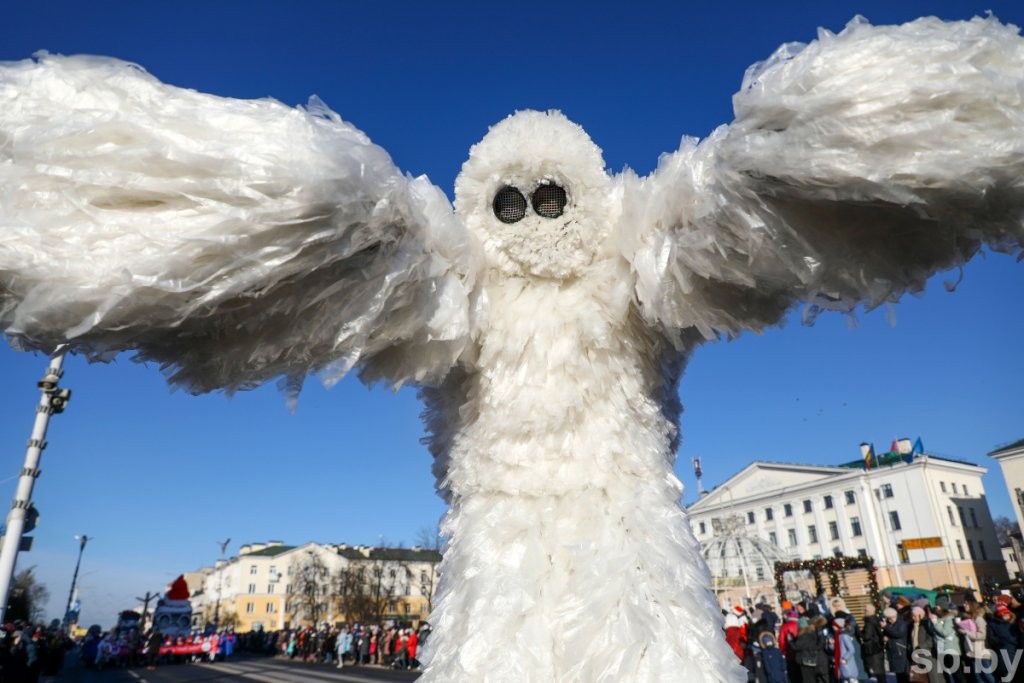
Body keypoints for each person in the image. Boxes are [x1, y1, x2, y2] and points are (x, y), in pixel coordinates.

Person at [959, 603, 995, 683]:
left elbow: (982, 635)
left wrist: (966, 632)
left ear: (972, 605)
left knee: (987, 676)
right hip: (972, 652)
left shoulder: (979, 619)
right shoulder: (969, 619)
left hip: (981, 652)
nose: (964, 605)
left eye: (967, 603)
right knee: (978, 677)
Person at [883, 607, 910, 683]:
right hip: (894, 652)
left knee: (903, 675)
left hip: (900, 651)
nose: (890, 620)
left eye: (891, 618)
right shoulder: (889, 624)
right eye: (888, 618)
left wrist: (886, 627)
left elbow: (898, 633)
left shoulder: (901, 623)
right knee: (898, 675)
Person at [860, 604, 885, 682]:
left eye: (865, 610)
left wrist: (859, 633)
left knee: (878, 671)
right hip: (877, 647)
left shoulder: (869, 622)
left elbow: (867, 636)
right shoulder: (875, 619)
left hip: (872, 648)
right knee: (880, 670)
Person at [833, 617, 859, 683]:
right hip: (841, 664)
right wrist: (831, 644)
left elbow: (851, 649)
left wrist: (845, 658)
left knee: (850, 679)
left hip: (846, 663)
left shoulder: (844, 636)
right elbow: (835, 649)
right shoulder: (837, 636)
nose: (832, 626)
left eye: (834, 625)